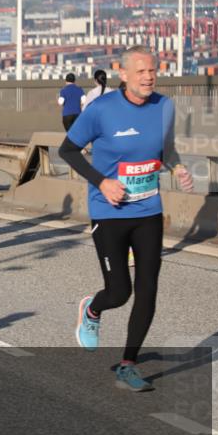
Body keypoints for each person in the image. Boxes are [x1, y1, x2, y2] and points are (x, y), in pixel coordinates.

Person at [60, 46, 193, 391]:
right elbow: (68, 150)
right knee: (120, 291)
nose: (149, 77)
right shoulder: (101, 109)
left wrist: (176, 166)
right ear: (123, 73)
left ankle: (128, 363)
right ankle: (92, 310)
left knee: (148, 289)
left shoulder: (164, 106)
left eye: (153, 71)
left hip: (148, 209)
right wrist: (102, 182)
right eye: (141, 72)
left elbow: (165, 148)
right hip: (109, 211)